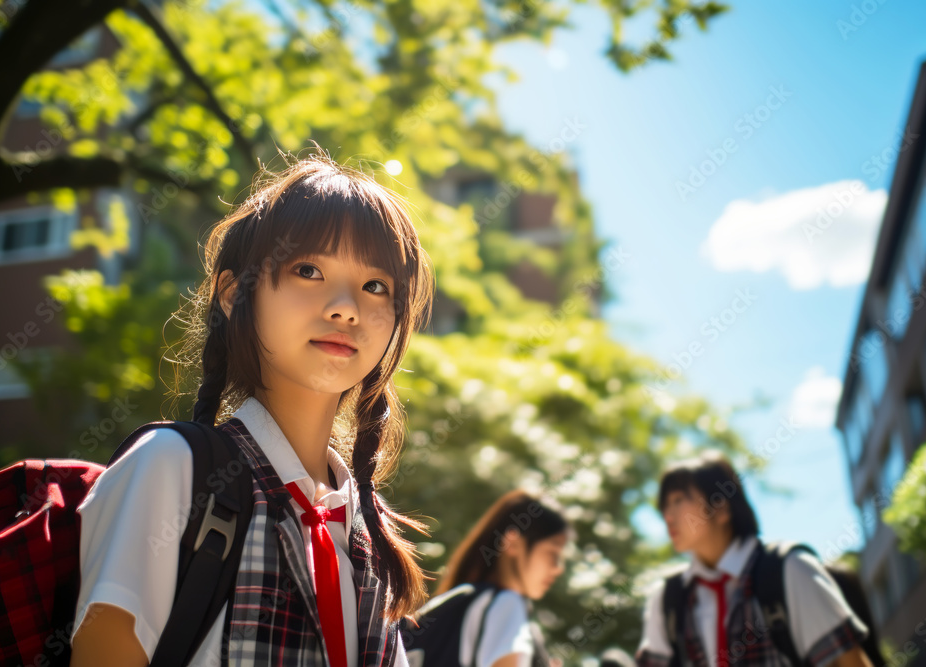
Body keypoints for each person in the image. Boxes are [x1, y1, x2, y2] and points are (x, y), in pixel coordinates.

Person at [69, 150, 435, 667]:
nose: (346, 306)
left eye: (376, 286)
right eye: (309, 269)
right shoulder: (170, 468)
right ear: (234, 292)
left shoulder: (368, 530)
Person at [635, 451, 874, 667]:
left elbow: (851, 662)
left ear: (721, 508)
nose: (668, 516)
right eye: (664, 506)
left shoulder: (788, 569)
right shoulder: (668, 599)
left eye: (678, 500)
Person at [406, 490, 571, 667]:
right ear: (513, 543)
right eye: (552, 553)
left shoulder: (450, 604)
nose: (558, 568)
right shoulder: (508, 604)